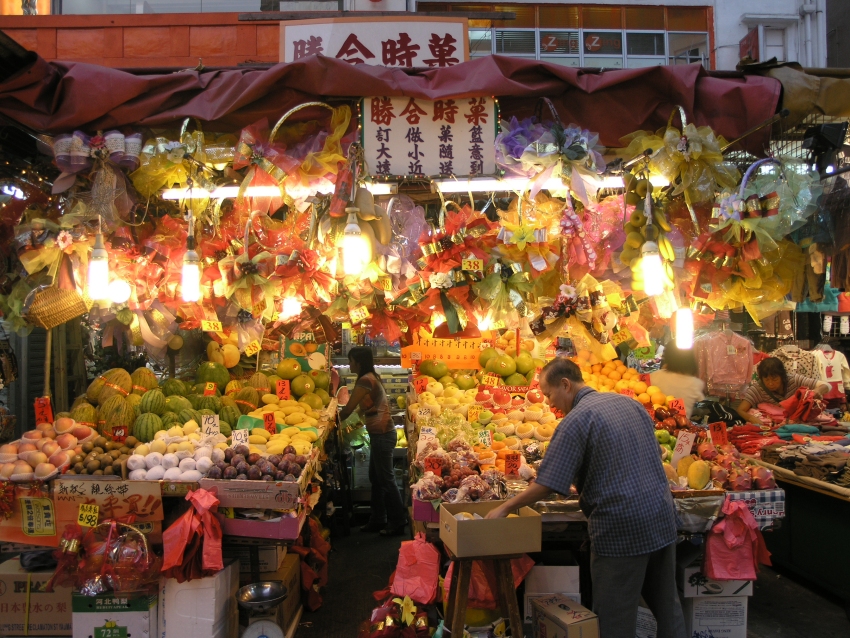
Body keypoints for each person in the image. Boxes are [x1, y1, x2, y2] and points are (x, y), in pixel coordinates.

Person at [486, 358, 684, 638]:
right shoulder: (629, 404)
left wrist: (504, 508)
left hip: (621, 530)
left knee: (616, 617)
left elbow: (548, 484)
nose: (549, 403)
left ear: (565, 385)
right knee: (667, 608)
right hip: (662, 517)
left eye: (549, 394)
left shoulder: (576, 421)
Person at [338, 346, 407, 536]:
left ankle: (398, 521)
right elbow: (362, 409)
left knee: (386, 479)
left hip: (383, 434)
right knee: (376, 479)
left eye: (351, 361)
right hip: (381, 433)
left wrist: (332, 420)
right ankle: (378, 519)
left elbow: (349, 408)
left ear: (358, 362)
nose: (349, 364)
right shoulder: (371, 377)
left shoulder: (365, 381)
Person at [736, 356, 829, 425]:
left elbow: (826, 385)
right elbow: (740, 410)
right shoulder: (757, 389)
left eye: (774, 379)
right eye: (766, 380)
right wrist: (751, 418)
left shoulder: (794, 380)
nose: (770, 383)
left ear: (782, 376)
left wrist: (816, 392)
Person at [651, 344, 705, 419]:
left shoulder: (655, 375)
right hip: (682, 427)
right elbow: (701, 402)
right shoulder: (697, 384)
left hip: (656, 424)